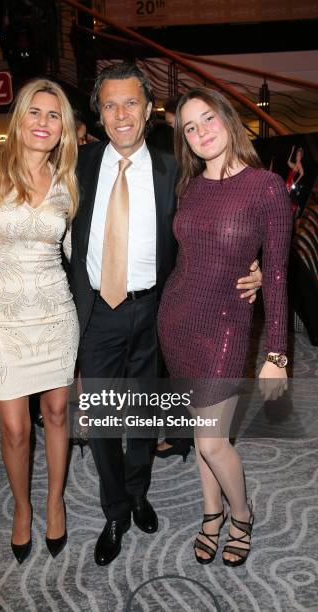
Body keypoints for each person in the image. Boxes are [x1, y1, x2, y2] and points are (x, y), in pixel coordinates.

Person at [0, 64, 262, 566]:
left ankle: (138, 494)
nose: (120, 114)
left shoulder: (175, 168)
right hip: (94, 313)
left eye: (130, 103)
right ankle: (114, 509)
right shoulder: (77, 165)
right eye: (109, 105)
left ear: (149, 111)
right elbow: (31, 212)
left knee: (144, 416)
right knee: (107, 418)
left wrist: (253, 263)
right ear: (99, 114)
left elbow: (218, 217)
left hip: (156, 309)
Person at [157, 87, 293, 567]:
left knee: (213, 439)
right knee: (201, 432)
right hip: (176, 319)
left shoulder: (265, 186)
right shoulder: (189, 186)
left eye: (207, 119)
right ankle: (210, 512)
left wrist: (277, 354)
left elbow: (275, 274)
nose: (200, 132)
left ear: (229, 120)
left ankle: (242, 513)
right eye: (189, 127)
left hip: (226, 324)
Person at [0, 78, 79, 564]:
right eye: (35, 112)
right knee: (13, 428)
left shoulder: (68, 180)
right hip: (2, 317)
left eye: (54, 115)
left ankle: (54, 502)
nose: (43, 123)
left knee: (57, 415)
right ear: (19, 118)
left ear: (63, 127)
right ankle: (22, 507)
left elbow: (74, 253)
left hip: (55, 314)